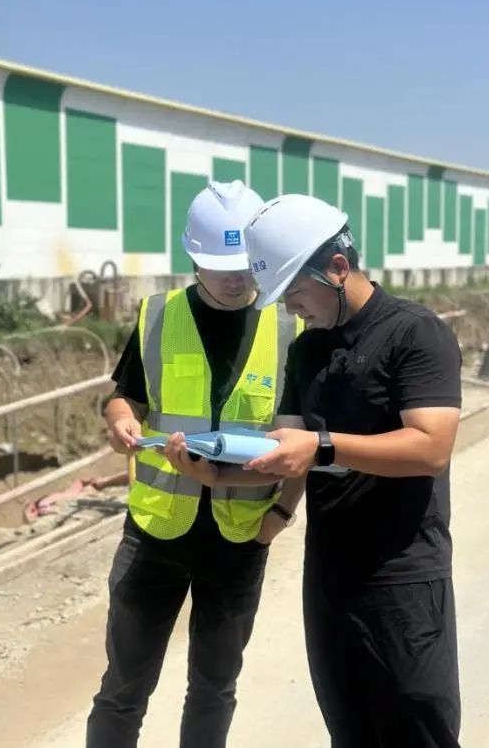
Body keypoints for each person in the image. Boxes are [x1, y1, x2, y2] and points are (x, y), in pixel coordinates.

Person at [86, 180, 305, 748]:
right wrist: (119, 421)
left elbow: (301, 441)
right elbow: (126, 398)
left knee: (214, 687)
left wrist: (280, 516)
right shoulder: (157, 316)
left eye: (245, 266)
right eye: (221, 267)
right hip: (155, 531)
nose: (236, 279)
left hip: (239, 536)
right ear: (193, 258)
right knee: (123, 688)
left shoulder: (290, 326)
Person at [242, 193, 463, 747]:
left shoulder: (415, 332)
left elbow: (431, 447)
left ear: (338, 268)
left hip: (402, 577)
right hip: (330, 574)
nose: (291, 309)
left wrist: (322, 447)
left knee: (418, 731)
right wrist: (219, 470)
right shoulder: (307, 350)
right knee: (350, 730)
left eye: (295, 293)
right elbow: (287, 446)